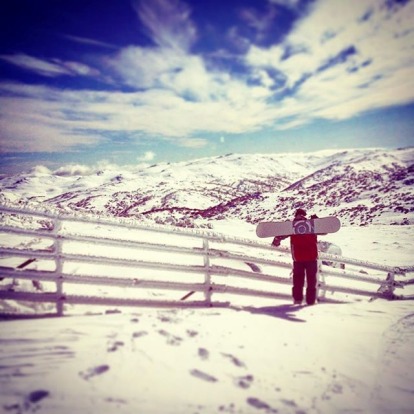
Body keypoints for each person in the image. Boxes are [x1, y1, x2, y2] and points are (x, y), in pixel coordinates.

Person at [271, 208, 320, 305]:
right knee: (298, 281)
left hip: (311, 258)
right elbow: (281, 235)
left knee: (311, 282)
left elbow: (324, 231)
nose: (301, 216)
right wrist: (276, 240)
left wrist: (318, 222)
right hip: (299, 259)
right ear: (296, 215)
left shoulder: (310, 225)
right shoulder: (293, 227)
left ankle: (310, 301)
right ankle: (297, 300)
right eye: (299, 214)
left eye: (303, 214)